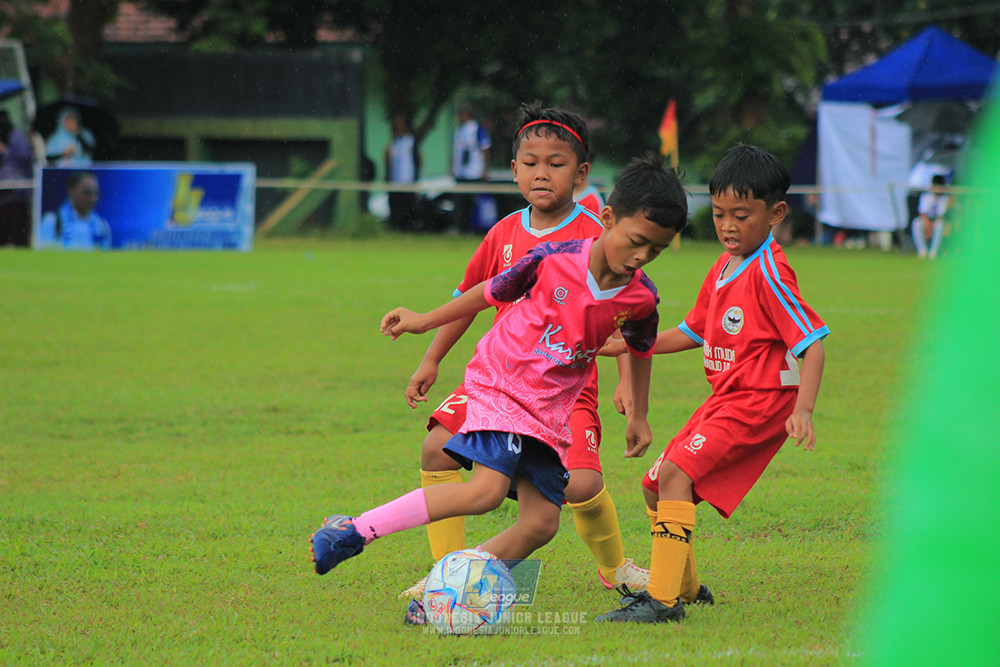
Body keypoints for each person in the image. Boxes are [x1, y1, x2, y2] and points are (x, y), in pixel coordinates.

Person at [309, 153, 688, 614]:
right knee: (486, 491)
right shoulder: (552, 259)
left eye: (657, 249)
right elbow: (488, 291)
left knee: (541, 522)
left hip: (550, 410)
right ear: (607, 218)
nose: (643, 256)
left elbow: (640, 347)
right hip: (503, 380)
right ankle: (354, 530)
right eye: (637, 241)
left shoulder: (641, 296)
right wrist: (425, 321)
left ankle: (443, 595)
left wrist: (641, 413)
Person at [396, 103, 658, 622]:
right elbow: (471, 298)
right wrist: (431, 358)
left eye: (556, 163)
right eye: (530, 162)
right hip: (496, 380)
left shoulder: (595, 235)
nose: (542, 172)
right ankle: (446, 571)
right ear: (513, 169)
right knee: (436, 450)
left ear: (581, 174)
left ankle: (617, 568)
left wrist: (628, 386)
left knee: (580, 486)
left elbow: (628, 315)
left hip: (563, 388)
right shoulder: (502, 233)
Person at [596, 145, 828, 624]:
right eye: (720, 213)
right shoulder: (723, 266)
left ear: (775, 214)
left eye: (741, 215)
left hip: (759, 402)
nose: (727, 225)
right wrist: (631, 344)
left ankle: (660, 602)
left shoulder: (769, 269)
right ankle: (687, 588)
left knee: (678, 475)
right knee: (656, 486)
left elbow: (812, 344)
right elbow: (691, 332)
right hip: (727, 397)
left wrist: (802, 410)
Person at [38, 171, 111, 250]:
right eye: (87, 193)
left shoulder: (102, 226)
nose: (92, 199)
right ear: (71, 191)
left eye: (95, 193)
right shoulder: (52, 222)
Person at [450, 103, 491, 233]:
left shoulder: (477, 128)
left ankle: (471, 229)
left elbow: (485, 149)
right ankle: (459, 227)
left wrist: (484, 169)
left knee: (472, 204)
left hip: (474, 172)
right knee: (460, 202)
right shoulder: (459, 130)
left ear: (465, 115)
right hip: (461, 173)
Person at [0, 110, 36, 246]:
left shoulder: (16, 136)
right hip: (3, 187)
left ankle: (16, 243)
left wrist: (6, 150)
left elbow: (26, 156)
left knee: (15, 218)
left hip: (17, 187)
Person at [384, 113, 421, 230]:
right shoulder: (395, 142)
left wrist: (415, 177)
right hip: (395, 179)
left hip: (407, 179)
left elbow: (417, 161)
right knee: (395, 204)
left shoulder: (411, 141)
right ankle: (396, 225)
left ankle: (409, 225)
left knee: (408, 205)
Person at [910, 174, 950, 259]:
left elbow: (942, 215)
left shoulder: (945, 198)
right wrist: (927, 225)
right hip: (927, 220)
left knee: (940, 225)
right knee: (916, 223)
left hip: (937, 221)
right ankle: (922, 250)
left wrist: (931, 226)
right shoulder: (926, 196)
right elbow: (923, 213)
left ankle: (934, 251)